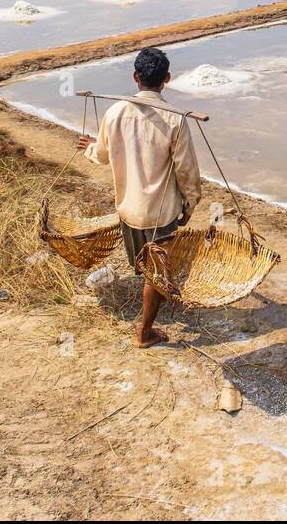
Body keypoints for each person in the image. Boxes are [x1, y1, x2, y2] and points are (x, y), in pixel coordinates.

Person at [77, 47, 202, 347]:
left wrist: (89, 147)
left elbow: (103, 154)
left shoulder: (115, 112)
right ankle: (144, 334)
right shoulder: (175, 120)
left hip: (129, 210)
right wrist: (190, 204)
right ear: (167, 79)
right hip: (161, 213)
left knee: (147, 267)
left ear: (136, 77)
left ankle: (155, 302)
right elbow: (187, 172)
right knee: (155, 273)